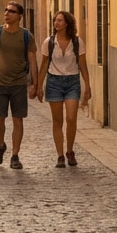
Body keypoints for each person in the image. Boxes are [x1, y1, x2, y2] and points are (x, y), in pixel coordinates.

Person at [0, 0, 37, 169]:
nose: (7, 13)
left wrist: (35, 84)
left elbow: (33, 61)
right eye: (6, 10)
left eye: (11, 11)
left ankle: (15, 155)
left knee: (18, 120)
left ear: (19, 16)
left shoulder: (26, 36)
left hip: (19, 83)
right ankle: (1, 145)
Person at [32, 10, 91, 167]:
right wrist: (39, 86)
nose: (55, 23)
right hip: (54, 82)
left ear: (67, 23)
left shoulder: (77, 42)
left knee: (71, 118)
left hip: (72, 81)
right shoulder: (49, 42)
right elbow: (44, 65)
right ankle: (60, 155)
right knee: (57, 121)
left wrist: (88, 85)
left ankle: (70, 151)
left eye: (59, 20)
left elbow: (83, 65)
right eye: (55, 21)